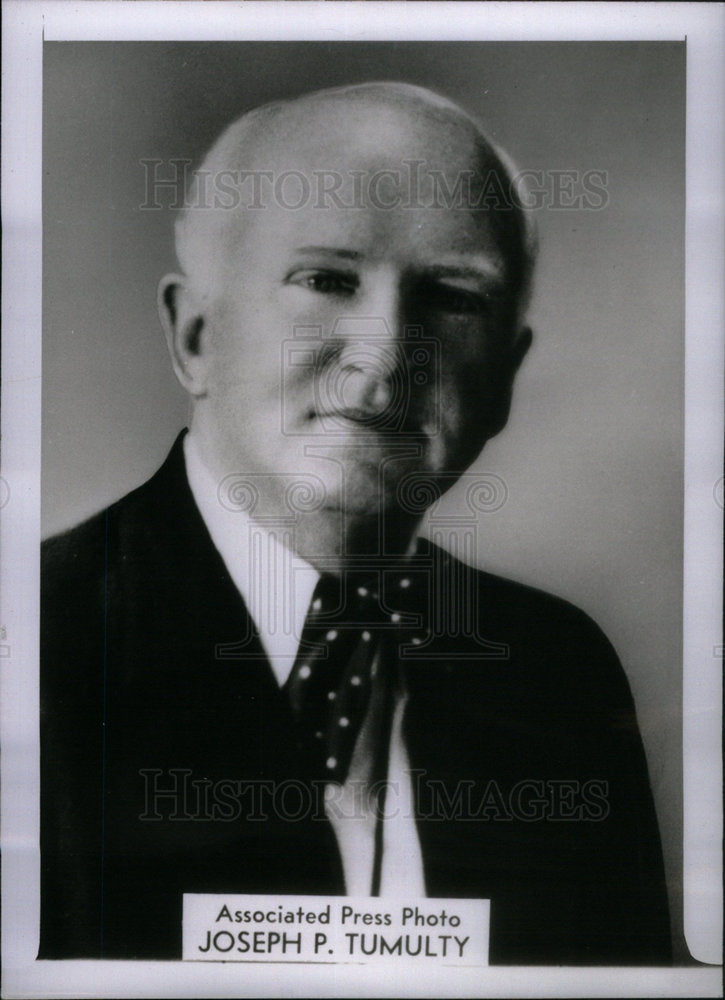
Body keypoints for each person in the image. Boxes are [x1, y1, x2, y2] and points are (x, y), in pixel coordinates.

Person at [39, 81, 672, 964]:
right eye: (327, 280)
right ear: (195, 338)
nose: (383, 354)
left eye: (452, 298)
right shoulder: (33, 644)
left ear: (504, 377)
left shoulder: (557, 674)